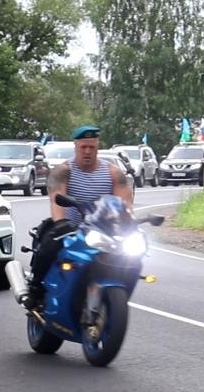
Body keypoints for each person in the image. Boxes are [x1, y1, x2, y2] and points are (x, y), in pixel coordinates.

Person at [24, 125, 134, 307]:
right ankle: (35, 289)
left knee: (131, 255)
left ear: (97, 148)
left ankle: (117, 293)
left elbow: (125, 206)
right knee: (51, 242)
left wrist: (129, 225)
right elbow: (56, 200)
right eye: (83, 147)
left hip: (103, 231)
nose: (87, 152)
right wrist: (61, 224)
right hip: (72, 228)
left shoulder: (113, 173)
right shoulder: (63, 170)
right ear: (76, 147)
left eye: (92, 147)